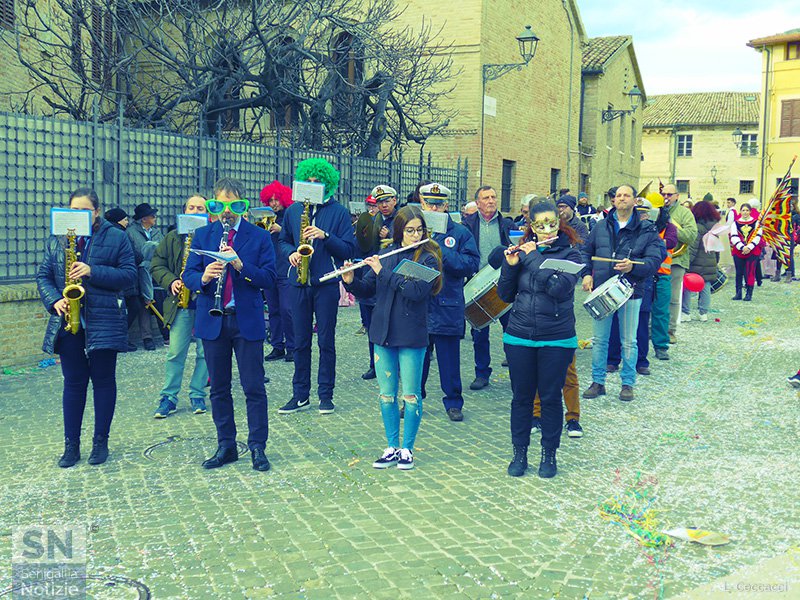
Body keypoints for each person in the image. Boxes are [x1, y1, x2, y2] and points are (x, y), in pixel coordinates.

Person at [37, 188, 137, 467]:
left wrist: (92, 270)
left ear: (95, 212)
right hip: (68, 321)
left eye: (83, 211)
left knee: (104, 381)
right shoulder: (59, 238)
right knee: (73, 383)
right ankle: (71, 445)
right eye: (73, 211)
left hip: (104, 319)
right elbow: (44, 274)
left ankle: (100, 442)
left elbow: (129, 277)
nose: (77, 216)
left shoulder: (116, 236)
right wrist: (54, 299)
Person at [182, 178, 276, 472]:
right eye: (220, 205)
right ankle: (227, 445)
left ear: (242, 206)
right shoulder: (202, 235)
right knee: (218, 389)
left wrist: (240, 266)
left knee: (253, 387)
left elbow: (270, 278)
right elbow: (188, 275)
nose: (226, 212)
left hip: (245, 319)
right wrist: (205, 278)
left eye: (233, 205)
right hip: (213, 319)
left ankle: (258, 447)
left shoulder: (259, 237)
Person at [342, 206, 443, 470]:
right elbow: (366, 289)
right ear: (399, 231)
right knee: (386, 395)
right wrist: (350, 280)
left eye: (419, 230)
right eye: (410, 230)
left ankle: (407, 449)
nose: (415, 234)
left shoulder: (428, 258)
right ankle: (391, 447)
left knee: (410, 395)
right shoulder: (386, 254)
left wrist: (382, 272)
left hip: (411, 333)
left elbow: (416, 291)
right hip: (383, 331)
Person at [497, 199, 582, 478]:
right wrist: (510, 266)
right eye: (540, 225)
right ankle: (519, 453)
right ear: (531, 227)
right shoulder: (523, 252)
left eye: (552, 224)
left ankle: (549, 454)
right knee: (521, 398)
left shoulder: (572, 255)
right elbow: (505, 296)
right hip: (520, 335)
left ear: (560, 223)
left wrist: (533, 258)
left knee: (549, 398)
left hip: (556, 338)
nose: (547, 230)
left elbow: (559, 289)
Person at [278, 158, 357, 415]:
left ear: (327, 184)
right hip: (299, 283)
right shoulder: (292, 211)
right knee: (299, 342)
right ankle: (300, 395)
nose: (313, 185)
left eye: (318, 182)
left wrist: (326, 236)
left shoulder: (339, 212)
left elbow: (349, 249)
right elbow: (282, 240)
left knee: (326, 341)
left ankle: (326, 394)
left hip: (325, 283)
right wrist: (290, 252)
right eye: (308, 181)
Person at [581, 184, 664, 402]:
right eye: (618, 195)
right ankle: (598, 382)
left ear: (635, 200)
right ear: (613, 201)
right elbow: (586, 252)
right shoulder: (600, 226)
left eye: (626, 195)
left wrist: (634, 266)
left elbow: (655, 259)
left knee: (629, 341)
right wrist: (587, 274)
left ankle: (627, 383)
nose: (622, 198)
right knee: (600, 340)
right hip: (602, 290)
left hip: (631, 291)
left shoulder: (647, 229)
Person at [418, 183, 480, 422]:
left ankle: (453, 402)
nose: (433, 208)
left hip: (447, 305)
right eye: (429, 203)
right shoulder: (413, 229)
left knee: (449, 361)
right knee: (417, 359)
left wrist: (441, 249)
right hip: (419, 306)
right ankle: (413, 398)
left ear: (446, 205)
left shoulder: (460, 233)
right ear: (422, 204)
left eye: (438, 204)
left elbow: (471, 265)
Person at [150, 194, 211, 418]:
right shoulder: (173, 237)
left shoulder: (213, 236)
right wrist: (170, 281)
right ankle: (169, 397)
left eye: (200, 208)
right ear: (184, 210)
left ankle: (197, 393)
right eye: (191, 208)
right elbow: (156, 264)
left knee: (205, 353)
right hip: (180, 303)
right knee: (175, 352)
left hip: (204, 301)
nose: (195, 212)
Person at [606, 199, 672, 375]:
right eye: (639, 212)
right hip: (619, 280)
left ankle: (641, 361)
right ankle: (612, 359)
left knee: (641, 323)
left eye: (644, 212)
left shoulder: (651, 231)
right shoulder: (623, 229)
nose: (641, 216)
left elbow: (659, 254)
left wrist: (639, 263)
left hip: (642, 281)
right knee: (615, 321)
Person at [461, 185, 515, 390]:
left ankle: (517, 373)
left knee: (511, 330)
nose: (491, 200)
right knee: (479, 332)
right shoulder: (467, 225)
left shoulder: (506, 224)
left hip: (504, 281)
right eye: (486, 197)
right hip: (476, 283)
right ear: (478, 202)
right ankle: (482, 373)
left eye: (494, 197)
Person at [358, 186, 397, 380]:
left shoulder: (401, 220)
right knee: (372, 325)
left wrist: (389, 237)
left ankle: (393, 365)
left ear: (395, 201)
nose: (383, 205)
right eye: (379, 202)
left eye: (387, 201)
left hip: (390, 277)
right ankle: (375, 364)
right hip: (372, 275)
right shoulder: (374, 219)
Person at [259, 180, 295, 363]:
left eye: (276, 199)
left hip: (286, 269)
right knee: (273, 310)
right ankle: (277, 346)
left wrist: (281, 231)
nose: (274, 203)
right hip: (270, 269)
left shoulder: (290, 216)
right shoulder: (266, 218)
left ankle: (292, 347)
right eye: (270, 200)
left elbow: (298, 239)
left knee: (287, 309)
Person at [660, 184, 698, 344]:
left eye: (669, 194)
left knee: (673, 298)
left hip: (676, 260)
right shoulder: (658, 210)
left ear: (677, 196)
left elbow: (691, 236)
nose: (666, 197)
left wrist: (672, 226)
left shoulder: (685, 213)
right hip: (657, 259)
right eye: (664, 194)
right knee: (655, 297)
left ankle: (670, 331)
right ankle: (652, 328)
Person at [127, 202, 165, 351]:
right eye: (152, 216)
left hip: (156, 268)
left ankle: (165, 333)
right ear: (144, 219)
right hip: (139, 270)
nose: (155, 218)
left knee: (159, 299)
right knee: (144, 303)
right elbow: (130, 251)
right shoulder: (131, 232)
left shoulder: (156, 232)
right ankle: (147, 337)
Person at [104, 208, 138, 352]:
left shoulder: (105, 233)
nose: (127, 222)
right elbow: (134, 256)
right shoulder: (121, 235)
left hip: (113, 280)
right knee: (129, 309)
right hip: (124, 282)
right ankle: (121, 339)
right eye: (125, 219)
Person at [682, 200, 721, 321]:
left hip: (696, 262)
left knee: (688, 286)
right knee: (705, 286)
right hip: (710, 261)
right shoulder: (714, 228)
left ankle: (686, 312)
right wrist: (715, 261)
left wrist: (686, 263)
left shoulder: (697, 227)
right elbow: (717, 249)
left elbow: (692, 247)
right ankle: (703, 313)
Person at [729, 203, 762, 301]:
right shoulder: (735, 223)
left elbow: (758, 236)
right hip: (739, 251)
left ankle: (749, 293)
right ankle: (738, 293)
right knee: (739, 272)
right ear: (740, 211)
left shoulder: (756, 223)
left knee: (750, 272)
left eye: (747, 210)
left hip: (752, 251)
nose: (745, 212)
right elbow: (733, 236)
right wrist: (741, 247)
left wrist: (749, 247)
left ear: (750, 211)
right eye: (743, 210)